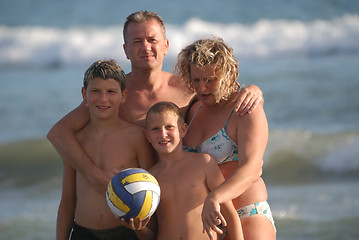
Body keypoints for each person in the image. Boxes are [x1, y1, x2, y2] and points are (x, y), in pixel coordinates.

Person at [47, 10, 264, 195]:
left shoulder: (189, 88)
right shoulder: (115, 94)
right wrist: (95, 176)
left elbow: (222, 98)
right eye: (137, 41)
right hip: (133, 199)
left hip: (179, 197)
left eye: (152, 40)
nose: (146, 47)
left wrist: (254, 90)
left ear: (166, 45)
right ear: (126, 50)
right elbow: (58, 134)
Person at [177, 37, 276, 239]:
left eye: (210, 80)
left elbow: (252, 169)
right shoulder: (192, 110)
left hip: (247, 213)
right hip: (208, 221)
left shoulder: (245, 108)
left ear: (227, 75)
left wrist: (216, 196)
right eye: (196, 79)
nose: (202, 87)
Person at [56, 60, 155, 240]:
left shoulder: (137, 137)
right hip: (83, 232)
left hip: (126, 232)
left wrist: (144, 230)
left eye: (111, 92)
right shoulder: (76, 141)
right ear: (84, 94)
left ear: (123, 96)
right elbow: (68, 201)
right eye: (95, 91)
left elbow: (152, 191)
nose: (103, 99)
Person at [133, 101, 243, 240]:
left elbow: (230, 215)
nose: (163, 134)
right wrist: (140, 229)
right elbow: (152, 233)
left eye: (169, 127)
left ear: (183, 130)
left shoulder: (203, 163)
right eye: (155, 129)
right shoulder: (149, 179)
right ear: (147, 136)